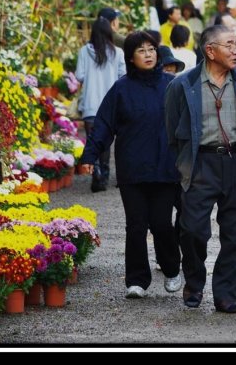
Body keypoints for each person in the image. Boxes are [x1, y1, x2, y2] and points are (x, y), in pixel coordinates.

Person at [164, 25, 236, 313]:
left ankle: (227, 294)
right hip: (200, 163)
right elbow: (172, 132)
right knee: (192, 231)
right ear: (210, 50)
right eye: (229, 45)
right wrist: (184, 166)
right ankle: (194, 282)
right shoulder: (182, 85)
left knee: (235, 233)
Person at [79, 31, 182, 298]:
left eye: (151, 49)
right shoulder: (121, 89)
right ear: (131, 58)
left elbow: (187, 124)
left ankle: (172, 269)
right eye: (141, 50)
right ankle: (136, 280)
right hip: (133, 169)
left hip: (164, 168)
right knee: (136, 225)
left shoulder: (172, 85)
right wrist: (90, 156)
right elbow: (103, 124)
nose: (148, 54)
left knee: (161, 224)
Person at [76, 17, 126, 192]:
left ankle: (95, 168)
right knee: (106, 140)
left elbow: (79, 76)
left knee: (93, 139)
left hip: (90, 102)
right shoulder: (118, 53)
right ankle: (103, 174)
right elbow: (123, 76)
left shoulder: (84, 51)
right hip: (111, 104)